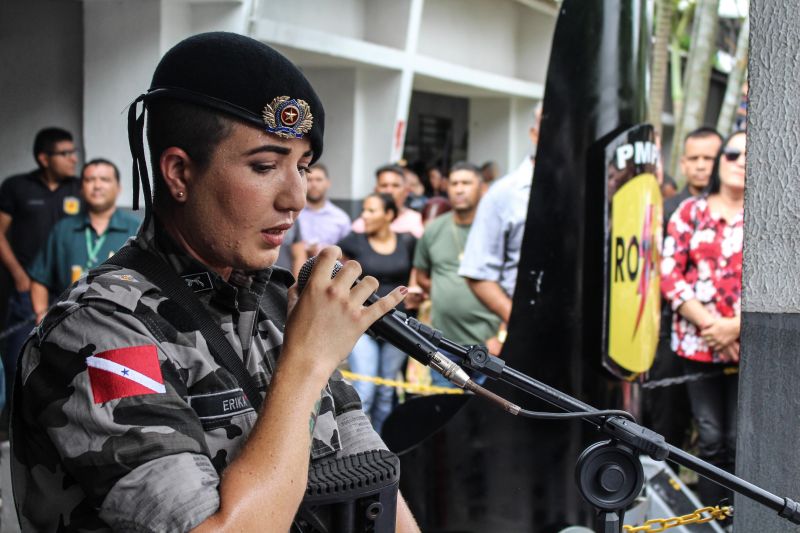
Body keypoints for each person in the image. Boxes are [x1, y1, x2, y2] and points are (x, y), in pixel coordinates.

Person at [12, 32, 419, 532]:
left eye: (304, 166)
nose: (295, 196)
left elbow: (373, 481)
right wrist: (307, 363)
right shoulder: (103, 333)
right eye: (266, 166)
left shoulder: (277, 303)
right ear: (180, 173)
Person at [661, 130, 746, 506]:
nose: (741, 161)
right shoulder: (689, 212)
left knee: (745, 440)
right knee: (711, 438)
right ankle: (715, 519)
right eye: (732, 153)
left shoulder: (773, 213)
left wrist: (735, 327)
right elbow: (669, 273)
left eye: (749, 154)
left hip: (752, 345)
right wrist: (712, 327)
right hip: (698, 344)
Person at [645, 127, 723, 449]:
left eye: (710, 158)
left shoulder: (740, 208)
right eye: (695, 158)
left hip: (721, 337)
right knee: (666, 425)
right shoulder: (666, 209)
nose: (702, 165)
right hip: (669, 333)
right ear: (683, 162)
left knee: (717, 432)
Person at [0, 127, 81, 401]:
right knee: (17, 356)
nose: (73, 159)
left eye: (74, 152)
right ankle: (10, 427)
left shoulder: (79, 188)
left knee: (65, 358)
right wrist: (19, 275)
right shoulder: (16, 187)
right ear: (44, 158)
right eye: (65, 153)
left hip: (67, 289)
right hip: (26, 287)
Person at [458, 104, 541, 351]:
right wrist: (518, 320)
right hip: (526, 333)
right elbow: (478, 270)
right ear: (534, 134)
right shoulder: (505, 194)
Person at [411, 163, 500, 387]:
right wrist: (443, 292)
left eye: (466, 183)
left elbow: (513, 284)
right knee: (442, 410)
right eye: (454, 183)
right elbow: (421, 276)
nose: (459, 189)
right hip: (444, 342)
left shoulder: (496, 229)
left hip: (490, 344)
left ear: (482, 188)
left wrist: (500, 335)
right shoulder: (433, 230)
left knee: (487, 413)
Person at [338, 193, 416, 433]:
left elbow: (416, 272)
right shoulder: (353, 241)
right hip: (362, 323)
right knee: (365, 391)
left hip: (398, 323)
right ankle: (357, 447)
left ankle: (382, 448)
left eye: (372, 211)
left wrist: (415, 292)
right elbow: (338, 275)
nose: (364, 215)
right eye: (364, 210)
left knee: (386, 392)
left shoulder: (408, 242)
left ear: (389, 215)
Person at [28, 158, 140, 324]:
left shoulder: (137, 229)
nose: (97, 186)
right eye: (89, 180)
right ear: (81, 188)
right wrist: (42, 317)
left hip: (122, 324)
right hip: (67, 323)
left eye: (105, 179)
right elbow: (39, 279)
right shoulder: (63, 229)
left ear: (118, 188)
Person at [351, 165, 424, 238]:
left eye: (395, 185)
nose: (389, 191)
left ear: (406, 191)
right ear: (376, 190)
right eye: (384, 185)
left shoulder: (417, 219)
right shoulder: (361, 225)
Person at [296, 163, 351, 257]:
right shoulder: (294, 214)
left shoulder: (341, 218)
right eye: (309, 180)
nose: (314, 184)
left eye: (319, 180)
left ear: (328, 183)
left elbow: (349, 252)